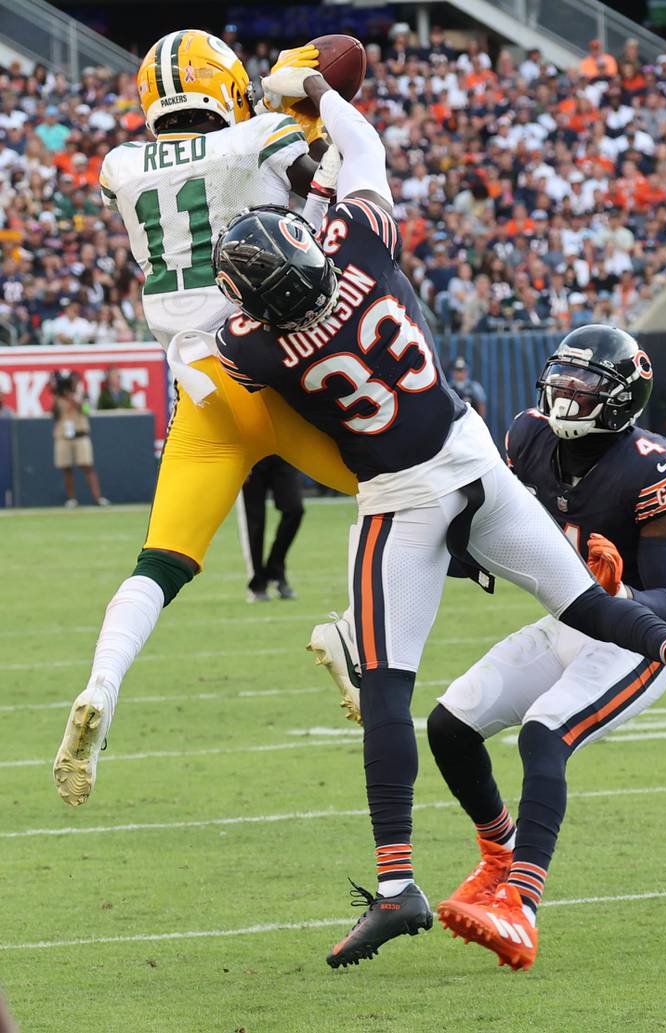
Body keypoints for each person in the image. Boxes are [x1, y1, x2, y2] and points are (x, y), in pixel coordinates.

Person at [213, 65, 666, 970]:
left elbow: (231, 330)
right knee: (586, 607)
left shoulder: (251, 342)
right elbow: (362, 150)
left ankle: (398, 883)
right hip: (473, 455)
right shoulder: (361, 243)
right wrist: (317, 96)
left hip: (403, 495)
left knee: (389, 692)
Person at [52, 34, 356, 809]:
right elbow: (327, 191)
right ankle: (354, 633)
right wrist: (306, 108)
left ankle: (101, 684)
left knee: (161, 560)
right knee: (398, 491)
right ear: (224, 85)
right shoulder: (257, 135)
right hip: (270, 366)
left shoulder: (120, 165)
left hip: (196, 390)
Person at [427, 330, 666, 970]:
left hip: (637, 643)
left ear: (620, 400)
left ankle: (520, 908)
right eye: (562, 379)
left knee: (543, 732)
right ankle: (500, 854)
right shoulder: (526, 436)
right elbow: (472, 532)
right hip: (566, 624)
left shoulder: (651, 463)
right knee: (449, 725)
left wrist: (624, 592)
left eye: (584, 387)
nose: (565, 394)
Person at [238, 456, 304, 601]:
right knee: (255, 522)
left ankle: (275, 568)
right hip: (252, 456)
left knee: (295, 509)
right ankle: (257, 582)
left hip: (282, 452)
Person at [51, 371, 109, 508]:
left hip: (81, 434)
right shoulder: (59, 396)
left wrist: (73, 400)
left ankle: (97, 497)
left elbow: (87, 410)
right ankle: (72, 499)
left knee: (87, 466)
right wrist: (59, 395)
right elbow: (54, 414)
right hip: (63, 435)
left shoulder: (84, 394)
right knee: (66, 468)